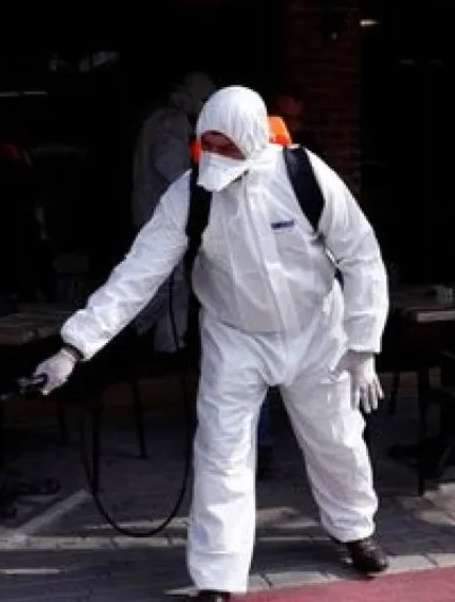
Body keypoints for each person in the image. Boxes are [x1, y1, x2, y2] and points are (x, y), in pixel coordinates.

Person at [33, 86, 390, 601]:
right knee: (221, 456)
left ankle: (354, 529)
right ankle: (218, 576)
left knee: (337, 438)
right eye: (209, 144)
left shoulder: (304, 175)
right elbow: (137, 274)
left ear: (253, 137)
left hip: (317, 330)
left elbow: (361, 256)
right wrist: (74, 347)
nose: (217, 156)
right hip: (234, 336)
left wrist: (362, 345)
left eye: (228, 146)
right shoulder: (189, 194)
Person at [130, 71, 215, 353]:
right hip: (161, 216)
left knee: (176, 289)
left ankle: (169, 347)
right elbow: (170, 166)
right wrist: (202, 187)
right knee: (170, 283)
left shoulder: (164, 120)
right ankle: (130, 328)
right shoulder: (171, 122)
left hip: (160, 215)